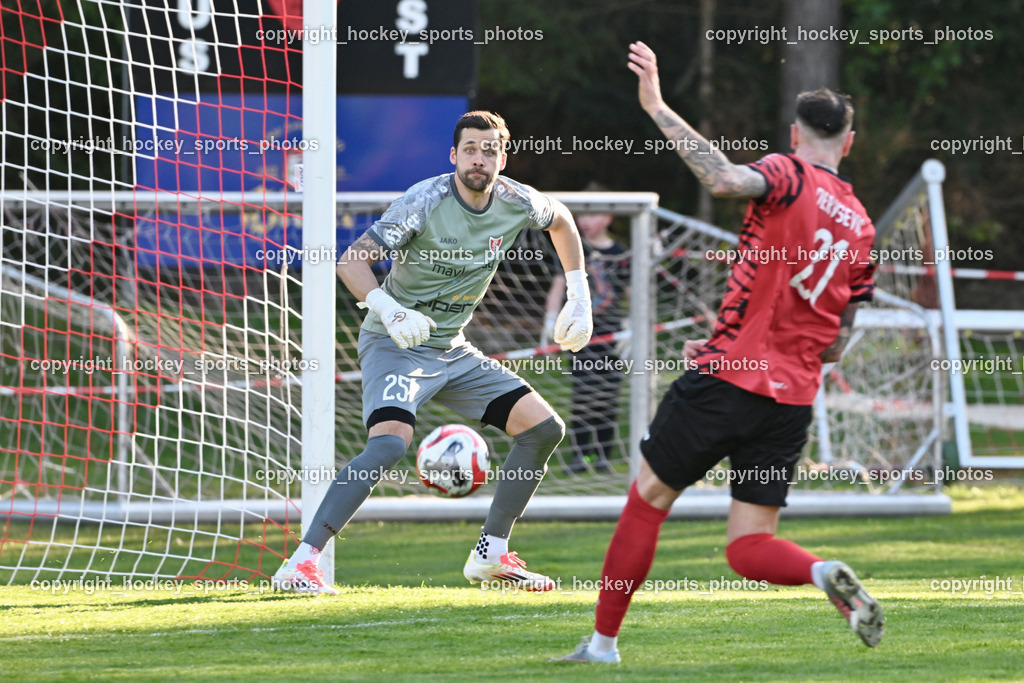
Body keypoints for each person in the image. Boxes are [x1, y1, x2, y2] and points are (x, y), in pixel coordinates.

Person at [552, 42, 882, 663]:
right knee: (747, 546)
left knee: (647, 500)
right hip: (792, 401)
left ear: (794, 134)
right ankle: (821, 571)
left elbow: (725, 179)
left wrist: (655, 104)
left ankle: (602, 645)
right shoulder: (862, 227)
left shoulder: (789, 173)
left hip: (728, 378)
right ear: (851, 142)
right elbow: (838, 340)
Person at [272, 111, 593, 595]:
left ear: (502, 159)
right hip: (394, 342)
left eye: (489, 150)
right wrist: (388, 308)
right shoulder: (424, 200)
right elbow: (351, 260)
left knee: (544, 428)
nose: (479, 159)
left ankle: (491, 555)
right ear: (453, 155)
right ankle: (301, 562)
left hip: (452, 349)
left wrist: (578, 292)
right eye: (470, 149)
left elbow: (563, 220)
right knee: (389, 444)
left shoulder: (517, 200)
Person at [541, 188, 629, 474]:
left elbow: (633, 290)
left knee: (608, 394)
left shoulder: (620, 253)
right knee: (582, 394)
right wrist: (550, 319)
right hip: (580, 335)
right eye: (582, 213)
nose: (585, 220)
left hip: (612, 335)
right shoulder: (572, 246)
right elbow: (558, 286)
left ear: (608, 217)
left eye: (593, 213)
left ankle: (603, 455)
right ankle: (580, 455)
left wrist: (632, 325)